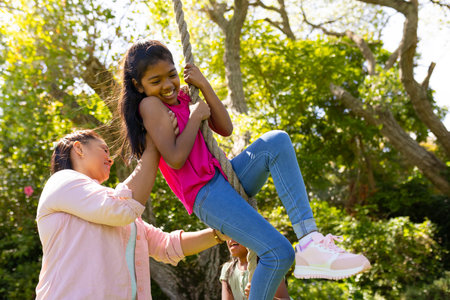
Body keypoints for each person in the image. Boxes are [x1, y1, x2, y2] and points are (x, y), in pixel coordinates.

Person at [118, 39, 371, 300]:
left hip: (222, 177)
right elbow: (175, 158)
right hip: (204, 193)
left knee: (277, 141)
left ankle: (310, 241)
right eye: (156, 81)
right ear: (139, 85)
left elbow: (225, 128)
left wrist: (204, 85)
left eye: (172, 75)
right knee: (278, 253)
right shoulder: (149, 106)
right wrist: (195, 116)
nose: (168, 85)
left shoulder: (184, 97)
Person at [35, 128, 230, 300]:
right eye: (104, 149)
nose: (110, 158)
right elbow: (120, 210)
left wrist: (221, 233)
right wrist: (152, 147)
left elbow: (166, 245)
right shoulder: (63, 181)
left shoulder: (110, 205)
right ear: (78, 148)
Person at [221, 239, 290, 300]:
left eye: (235, 233)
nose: (231, 239)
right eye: (227, 235)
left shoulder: (269, 266)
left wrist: (263, 296)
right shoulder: (228, 269)